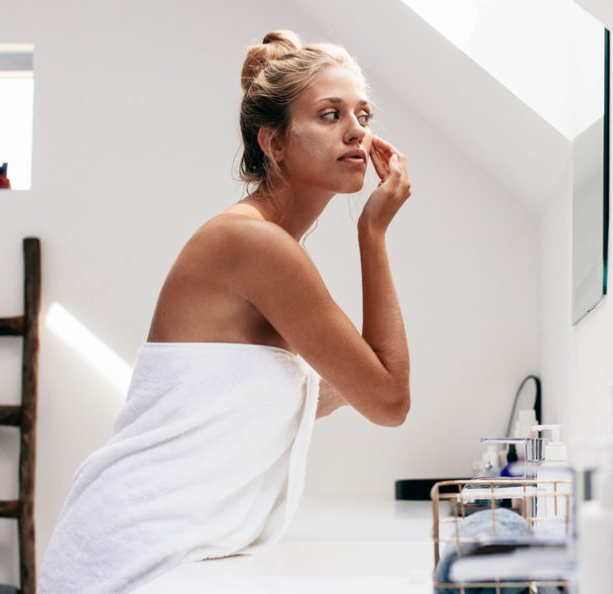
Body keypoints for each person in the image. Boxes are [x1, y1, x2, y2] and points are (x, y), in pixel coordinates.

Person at [39, 30, 412, 592]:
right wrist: (373, 233)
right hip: (132, 550)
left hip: (171, 550)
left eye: (363, 114)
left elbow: (319, 393)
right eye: (330, 114)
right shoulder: (255, 244)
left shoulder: (268, 248)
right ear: (274, 143)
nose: (357, 129)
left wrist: (350, 381)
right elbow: (389, 400)